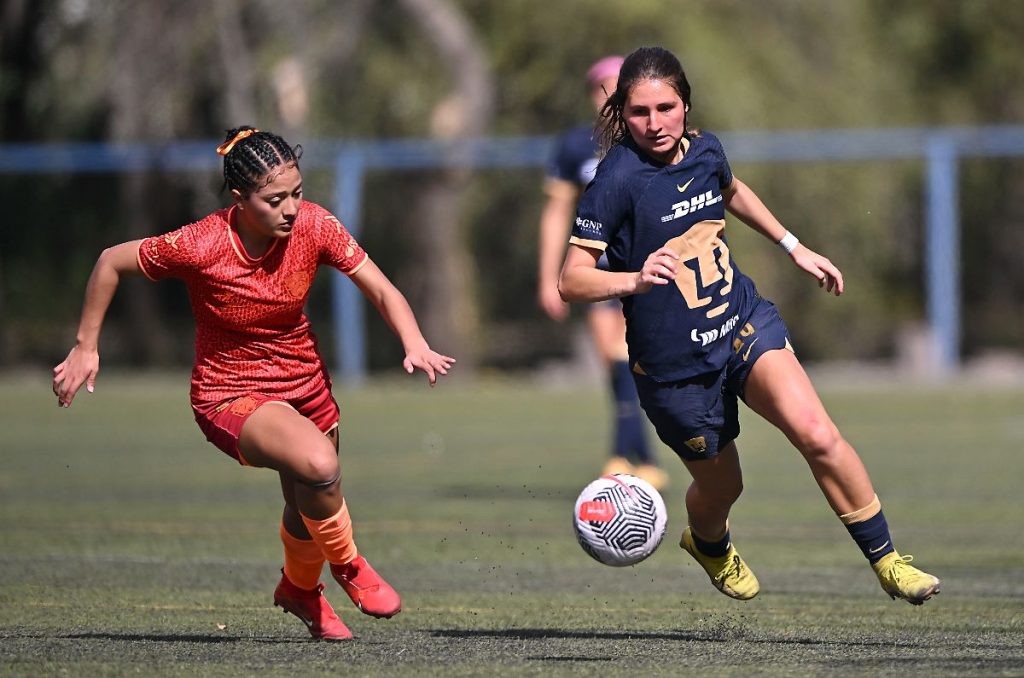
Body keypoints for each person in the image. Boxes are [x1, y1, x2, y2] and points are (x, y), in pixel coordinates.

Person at [558, 47, 940, 605]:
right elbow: (571, 280)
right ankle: (709, 544)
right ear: (622, 110)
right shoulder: (616, 179)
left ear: (686, 105)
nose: (655, 123)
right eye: (639, 112)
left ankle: (888, 561)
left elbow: (730, 191)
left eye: (666, 107)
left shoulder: (707, 149)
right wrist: (634, 280)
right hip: (674, 369)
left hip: (741, 323)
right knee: (723, 487)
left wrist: (793, 246)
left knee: (818, 435)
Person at [52, 126, 455, 640]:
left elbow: (380, 288)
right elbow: (111, 261)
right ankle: (349, 565)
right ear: (240, 199)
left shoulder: (315, 226)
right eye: (274, 200)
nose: (291, 209)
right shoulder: (200, 244)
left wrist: (413, 341)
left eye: (298, 193)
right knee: (319, 464)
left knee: (306, 495)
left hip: (307, 385)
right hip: (230, 394)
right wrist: (86, 346)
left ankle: (299, 591)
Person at [538, 55, 667, 489]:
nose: (609, 94)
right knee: (614, 358)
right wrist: (548, 278)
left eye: (618, 85)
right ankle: (630, 457)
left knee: (639, 361)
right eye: (603, 87)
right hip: (600, 269)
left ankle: (636, 456)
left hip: (649, 266)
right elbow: (556, 213)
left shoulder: (650, 139)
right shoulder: (576, 146)